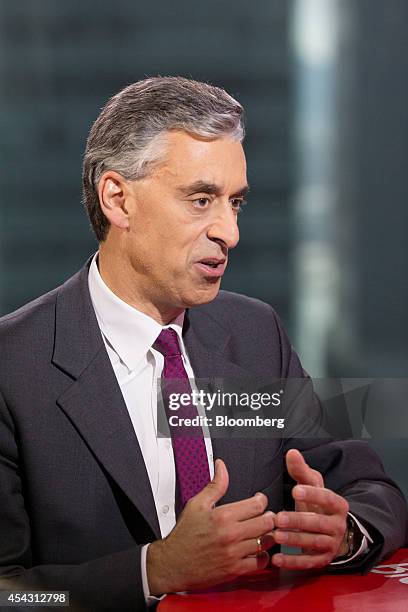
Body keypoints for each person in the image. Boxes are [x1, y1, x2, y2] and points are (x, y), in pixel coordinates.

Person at [0, 77, 406, 611]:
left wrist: (343, 534)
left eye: (235, 202)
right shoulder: (12, 367)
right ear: (118, 200)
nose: (230, 233)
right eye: (200, 199)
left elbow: (373, 489)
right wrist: (153, 571)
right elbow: (15, 596)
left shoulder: (255, 333)